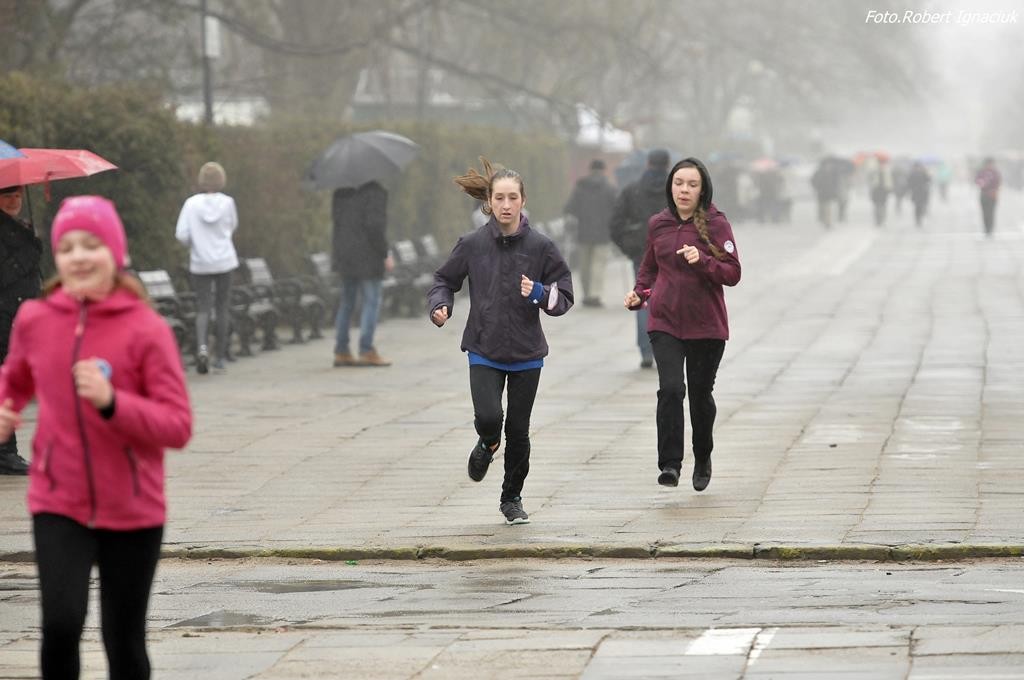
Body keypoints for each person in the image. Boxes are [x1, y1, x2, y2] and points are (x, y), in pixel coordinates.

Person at [0, 196, 192, 680]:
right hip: (58, 501)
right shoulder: (37, 320)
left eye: (91, 245)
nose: (79, 257)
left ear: (115, 252)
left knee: (122, 638)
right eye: (67, 248)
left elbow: (176, 424)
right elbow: (14, 378)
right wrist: (5, 408)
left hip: (132, 507)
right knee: (60, 625)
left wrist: (113, 403)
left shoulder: (146, 329)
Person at [427, 158, 573, 525]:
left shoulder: (541, 246)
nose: (506, 205)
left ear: (523, 201)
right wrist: (440, 305)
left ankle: (512, 498)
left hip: (526, 352)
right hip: (484, 347)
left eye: (512, 198)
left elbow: (565, 295)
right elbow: (444, 280)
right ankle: (488, 442)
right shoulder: (472, 244)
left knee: (519, 431)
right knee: (490, 417)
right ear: (489, 202)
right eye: (499, 198)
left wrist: (539, 292)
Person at [624, 158, 741, 492]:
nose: (684, 190)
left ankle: (702, 456)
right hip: (665, 322)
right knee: (671, 389)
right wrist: (639, 294)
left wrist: (702, 261)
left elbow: (733, 272)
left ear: (702, 190)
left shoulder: (716, 224)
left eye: (692, 184)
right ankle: (670, 464)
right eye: (679, 183)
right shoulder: (658, 223)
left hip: (706, 325)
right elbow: (649, 268)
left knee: (700, 396)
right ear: (670, 187)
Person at [175, 161, 239, 374]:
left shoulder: (191, 204)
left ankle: (202, 348)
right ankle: (220, 356)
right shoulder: (228, 203)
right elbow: (232, 226)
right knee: (222, 307)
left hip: (200, 262)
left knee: (203, 308)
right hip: (225, 260)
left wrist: (195, 244)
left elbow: (181, 234)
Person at [609, 149, 670, 368]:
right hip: (672, 253)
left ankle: (646, 350)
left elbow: (615, 224)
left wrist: (629, 247)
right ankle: (666, 348)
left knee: (643, 299)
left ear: (647, 163)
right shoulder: (675, 190)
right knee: (670, 301)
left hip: (641, 253)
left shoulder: (632, 190)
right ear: (667, 165)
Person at [0, 184, 42, 475]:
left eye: (17, 196)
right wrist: (31, 249)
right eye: (7, 197)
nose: (14, 201)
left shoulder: (20, 228)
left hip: (19, 314)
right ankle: (5, 451)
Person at [331, 180, 393, 367]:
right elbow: (375, 227)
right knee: (371, 302)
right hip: (368, 257)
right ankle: (366, 350)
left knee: (347, 303)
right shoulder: (375, 192)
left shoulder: (341, 191)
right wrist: (385, 253)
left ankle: (341, 350)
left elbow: (337, 225)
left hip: (346, 256)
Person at [564, 158, 616, 307]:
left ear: (590, 170)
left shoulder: (580, 187)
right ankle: (595, 295)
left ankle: (586, 294)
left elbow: (569, 208)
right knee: (598, 265)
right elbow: (617, 209)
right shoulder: (610, 188)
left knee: (584, 266)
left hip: (583, 232)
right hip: (603, 233)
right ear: (604, 170)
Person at [975, 157, 1001, 236]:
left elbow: (998, 182)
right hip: (984, 194)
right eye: (988, 164)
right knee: (985, 212)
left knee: (991, 212)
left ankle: (990, 229)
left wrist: (995, 190)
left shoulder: (995, 172)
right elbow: (977, 181)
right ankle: (986, 228)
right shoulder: (981, 172)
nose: (990, 165)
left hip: (992, 194)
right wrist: (981, 183)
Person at [868, 157, 893, 227]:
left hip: (884, 190)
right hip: (876, 190)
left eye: (882, 163)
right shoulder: (873, 170)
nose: (881, 165)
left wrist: (889, 189)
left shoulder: (887, 170)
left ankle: (882, 219)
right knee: (877, 206)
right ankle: (878, 219)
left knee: (883, 205)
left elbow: (889, 181)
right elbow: (870, 179)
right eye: (880, 163)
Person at [906, 161, 931, 228]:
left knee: (918, 206)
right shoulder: (922, 172)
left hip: (917, 193)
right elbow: (929, 180)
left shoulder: (912, 173)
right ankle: (918, 219)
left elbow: (908, 183)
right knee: (919, 206)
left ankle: (918, 219)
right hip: (920, 192)